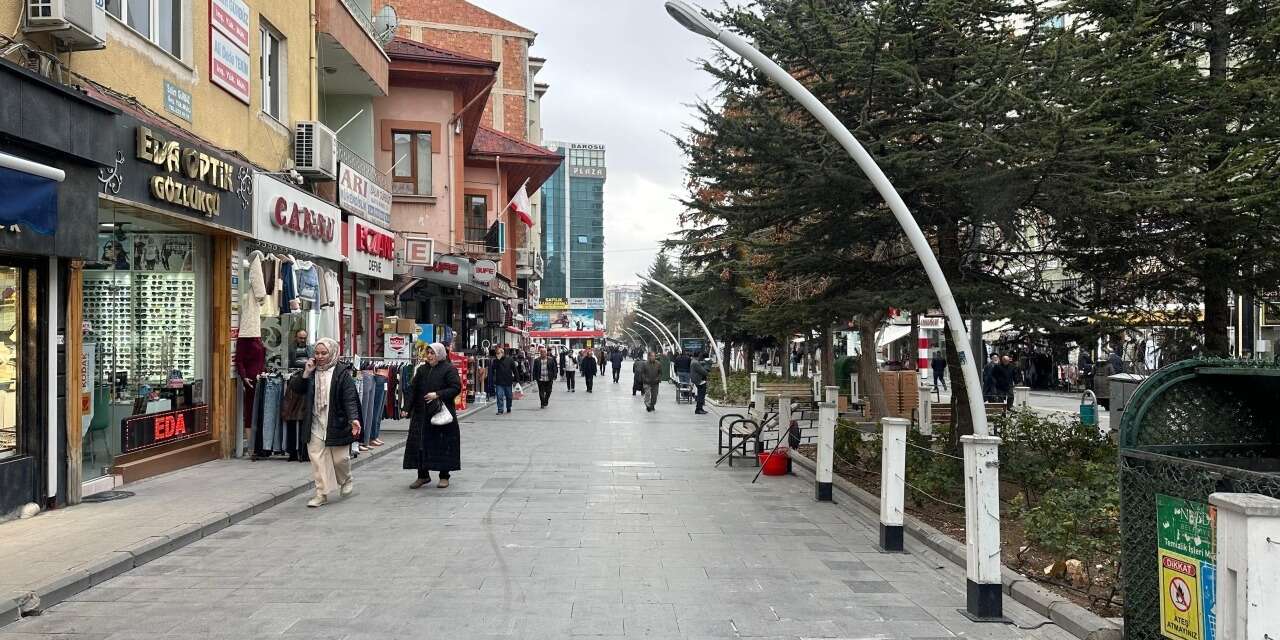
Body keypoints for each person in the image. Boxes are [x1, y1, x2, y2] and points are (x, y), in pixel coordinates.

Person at [300, 338, 361, 508]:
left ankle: (346, 479)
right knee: (317, 459)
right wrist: (305, 373)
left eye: (323, 353)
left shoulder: (342, 373)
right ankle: (321, 493)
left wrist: (353, 418)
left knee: (340, 459)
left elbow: (349, 398)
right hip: (315, 421)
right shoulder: (311, 371)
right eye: (317, 353)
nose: (319, 357)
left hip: (336, 421)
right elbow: (296, 389)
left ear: (332, 353)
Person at [404, 343, 462, 489]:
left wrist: (438, 394)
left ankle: (444, 476)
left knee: (442, 445)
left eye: (432, 353)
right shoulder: (422, 370)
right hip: (421, 415)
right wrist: (406, 407)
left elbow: (456, 388)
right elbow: (413, 388)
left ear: (440, 354)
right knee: (421, 445)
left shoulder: (449, 369)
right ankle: (422, 475)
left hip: (440, 414)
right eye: (428, 352)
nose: (429, 355)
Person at [491, 346, 516, 415]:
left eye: (498, 353)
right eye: (496, 353)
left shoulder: (510, 359)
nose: (497, 355)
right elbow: (493, 369)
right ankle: (500, 410)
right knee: (499, 396)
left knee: (509, 396)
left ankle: (508, 407)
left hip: (508, 381)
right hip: (499, 381)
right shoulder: (495, 361)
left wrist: (516, 380)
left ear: (502, 353)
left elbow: (515, 370)